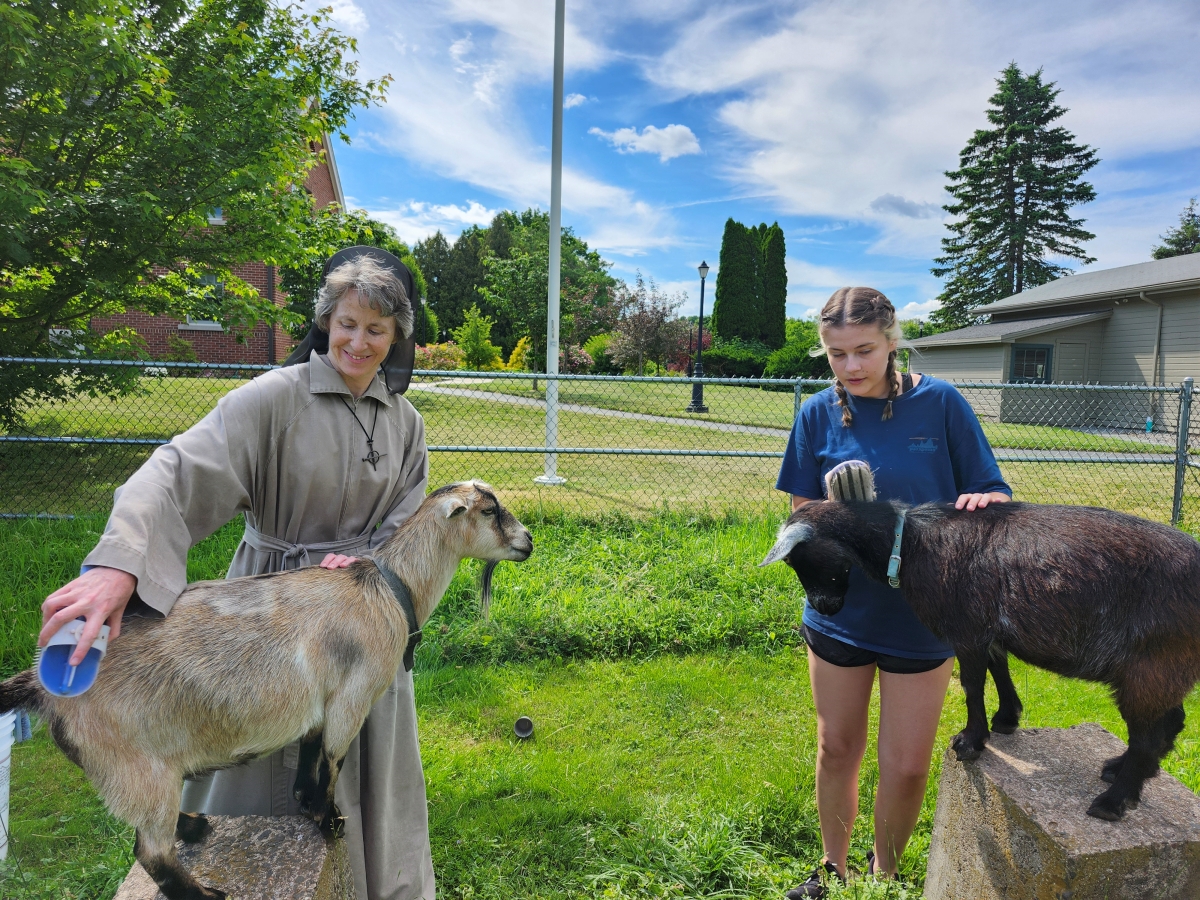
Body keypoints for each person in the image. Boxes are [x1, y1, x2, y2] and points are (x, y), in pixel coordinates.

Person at [37, 247, 435, 900]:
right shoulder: (274, 399)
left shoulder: (408, 424)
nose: (358, 342)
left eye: (377, 329)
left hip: (363, 625)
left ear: (397, 337)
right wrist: (118, 564)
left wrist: (370, 566)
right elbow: (178, 470)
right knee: (261, 792)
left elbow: (410, 528)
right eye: (346, 323)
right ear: (324, 321)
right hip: (270, 626)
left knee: (365, 775)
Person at [776, 287, 1010, 898]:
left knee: (906, 766)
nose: (851, 367)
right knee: (837, 747)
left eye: (865, 351)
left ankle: (883, 878)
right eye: (835, 355)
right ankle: (833, 867)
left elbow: (991, 490)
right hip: (842, 614)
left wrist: (984, 505)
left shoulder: (940, 404)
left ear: (892, 341)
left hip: (923, 614)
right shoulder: (817, 414)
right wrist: (833, 510)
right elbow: (800, 513)